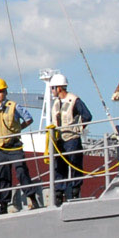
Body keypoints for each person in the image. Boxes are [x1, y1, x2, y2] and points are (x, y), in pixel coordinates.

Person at [0, 78, 37, 213]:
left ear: (5, 91)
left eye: (0, 91)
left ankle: (32, 198)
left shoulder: (14, 106)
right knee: (3, 176)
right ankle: (3, 205)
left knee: (21, 172)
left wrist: (18, 129)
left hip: (14, 146)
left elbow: (29, 119)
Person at [45, 72, 93, 205]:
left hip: (71, 139)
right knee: (59, 167)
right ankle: (60, 194)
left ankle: (75, 191)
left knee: (75, 165)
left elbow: (87, 116)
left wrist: (79, 127)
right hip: (59, 141)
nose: (52, 91)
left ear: (59, 88)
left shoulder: (74, 100)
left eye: (53, 88)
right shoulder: (56, 103)